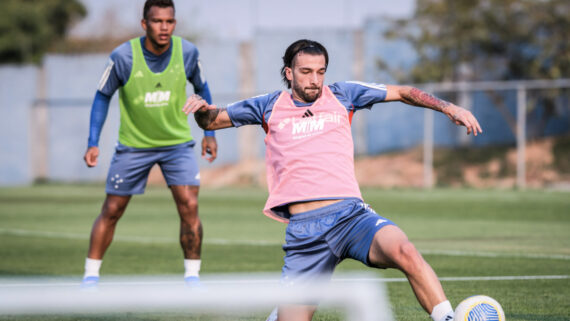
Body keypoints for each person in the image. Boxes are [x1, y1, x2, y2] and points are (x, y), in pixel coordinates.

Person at [183, 39, 482, 321]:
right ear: (289, 73)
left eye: (320, 71)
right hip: (306, 235)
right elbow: (212, 120)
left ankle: (447, 317)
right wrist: (200, 109)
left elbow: (403, 92)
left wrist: (449, 107)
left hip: (352, 218)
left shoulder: (343, 94)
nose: (315, 79)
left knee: (405, 251)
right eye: (306, 72)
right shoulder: (269, 105)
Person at [81, 0, 217, 288]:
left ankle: (192, 279)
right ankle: (90, 277)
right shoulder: (123, 57)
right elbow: (102, 96)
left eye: (169, 21)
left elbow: (202, 88)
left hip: (177, 144)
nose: (164, 27)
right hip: (134, 145)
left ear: (175, 23)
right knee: (113, 209)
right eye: (157, 21)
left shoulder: (188, 52)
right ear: (145, 24)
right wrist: (93, 141)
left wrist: (209, 133)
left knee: (189, 205)